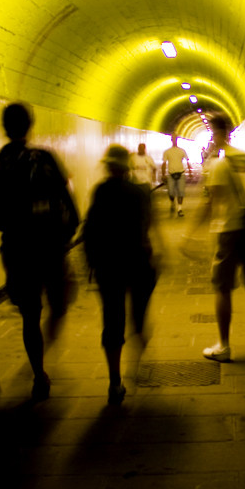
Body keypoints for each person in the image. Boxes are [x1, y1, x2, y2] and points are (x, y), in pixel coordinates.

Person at [0, 103, 79, 400]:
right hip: (49, 244)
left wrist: (14, 226)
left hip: (17, 248)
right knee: (59, 303)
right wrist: (70, 229)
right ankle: (47, 346)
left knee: (29, 315)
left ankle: (39, 372)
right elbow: (66, 196)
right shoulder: (44, 157)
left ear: (4, 127)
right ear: (30, 125)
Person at [82, 145, 158, 405]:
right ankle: (135, 363)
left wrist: (90, 264)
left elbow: (89, 230)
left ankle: (115, 382)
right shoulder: (138, 193)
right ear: (127, 167)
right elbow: (146, 226)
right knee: (138, 317)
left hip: (108, 266)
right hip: (137, 262)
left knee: (112, 321)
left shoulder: (100, 192)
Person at [193, 113, 245, 362]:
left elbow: (210, 202)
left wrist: (189, 233)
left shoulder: (220, 165)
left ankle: (223, 346)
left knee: (222, 288)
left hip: (228, 230)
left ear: (215, 133)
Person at [161, 135, 191, 217]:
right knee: (171, 192)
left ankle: (180, 209)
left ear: (177, 140)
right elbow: (164, 163)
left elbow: (187, 161)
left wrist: (190, 171)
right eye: (173, 139)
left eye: (175, 139)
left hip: (181, 173)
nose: (174, 140)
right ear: (171, 140)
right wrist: (163, 174)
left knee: (180, 192)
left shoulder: (181, 151)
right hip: (171, 174)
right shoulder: (167, 151)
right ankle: (172, 202)